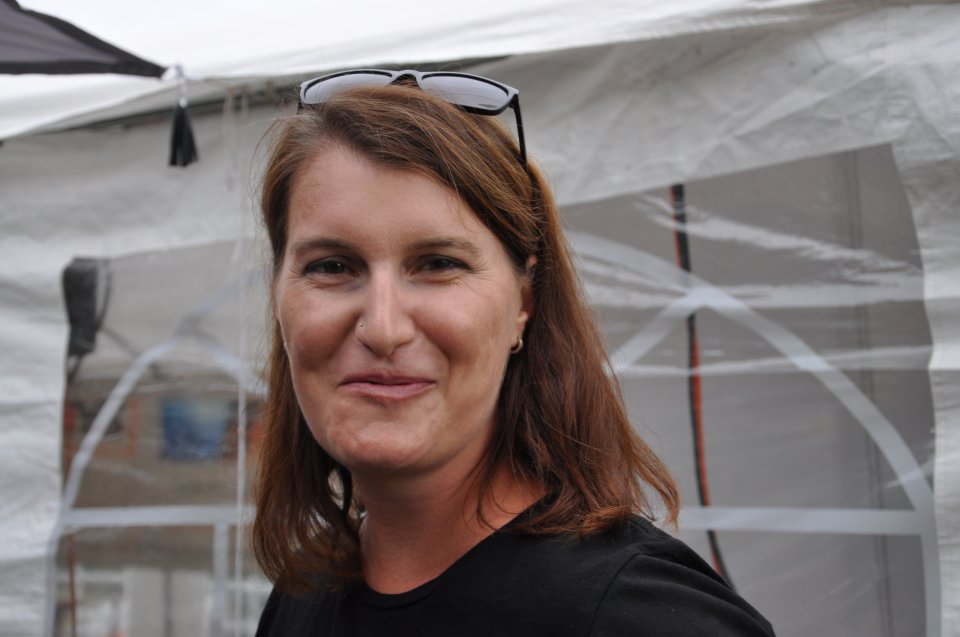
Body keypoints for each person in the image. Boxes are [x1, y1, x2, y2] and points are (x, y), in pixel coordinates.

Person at [252, 69, 775, 636]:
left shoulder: (639, 617)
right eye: (331, 266)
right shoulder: (306, 593)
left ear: (524, 302)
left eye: (439, 264)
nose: (383, 328)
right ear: (278, 296)